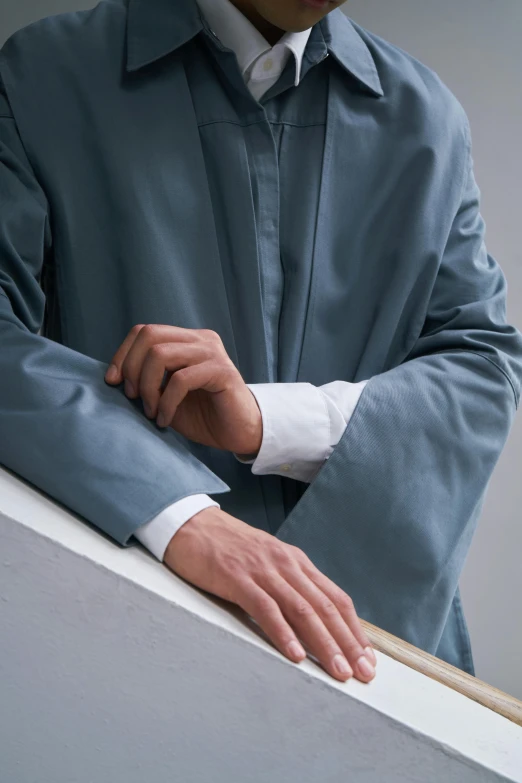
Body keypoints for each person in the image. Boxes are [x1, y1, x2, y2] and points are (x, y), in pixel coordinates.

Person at [0, 0, 520, 685]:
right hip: (130, 648)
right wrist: (176, 514)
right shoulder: (45, 74)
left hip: (379, 674)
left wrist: (265, 420)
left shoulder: (429, 121)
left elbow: (483, 366)